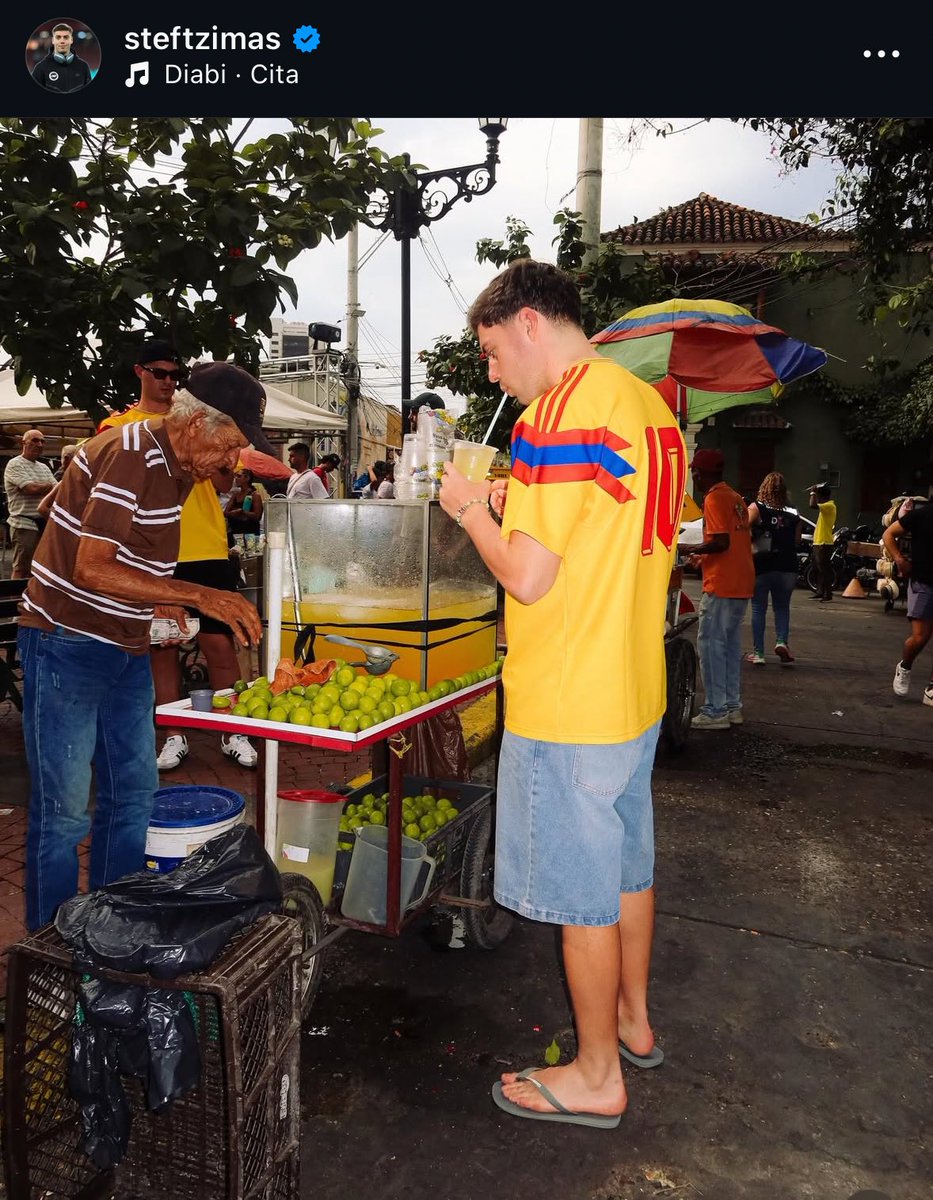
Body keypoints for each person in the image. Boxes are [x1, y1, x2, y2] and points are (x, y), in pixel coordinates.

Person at [438, 259, 686, 1128]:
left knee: (581, 898)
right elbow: (596, 524)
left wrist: (470, 508)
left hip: (568, 697)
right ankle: (631, 1021)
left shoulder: (552, 413)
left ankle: (592, 1076)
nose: (494, 373)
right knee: (625, 872)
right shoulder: (648, 405)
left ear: (530, 323)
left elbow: (529, 579)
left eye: (494, 351)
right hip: (632, 688)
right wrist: (517, 501)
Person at [18, 364, 265, 930]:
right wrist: (200, 594)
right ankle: (49, 948)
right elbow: (92, 565)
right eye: (229, 445)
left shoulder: (179, 466)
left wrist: (157, 599)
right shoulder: (134, 451)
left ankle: (111, 929)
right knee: (61, 815)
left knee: (132, 799)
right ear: (198, 421)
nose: (231, 463)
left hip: (124, 645)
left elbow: (58, 513)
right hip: (66, 642)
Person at [98, 343, 261, 770]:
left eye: (175, 373)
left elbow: (226, 480)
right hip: (147, 556)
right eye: (160, 372)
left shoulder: (213, 426)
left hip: (203, 546)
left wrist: (226, 459)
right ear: (141, 371)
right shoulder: (121, 430)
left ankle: (234, 727)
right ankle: (173, 733)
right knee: (162, 645)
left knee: (219, 643)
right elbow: (88, 549)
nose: (168, 379)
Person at [685, 448, 754, 730]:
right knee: (728, 646)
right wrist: (701, 557)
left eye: (695, 472)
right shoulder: (735, 497)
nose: (694, 477)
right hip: (741, 581)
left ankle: (715, 711)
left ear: (701, 473)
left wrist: (688, 547)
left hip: (722, 584)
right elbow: (729, 543)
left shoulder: (713, 498)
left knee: (711, 646)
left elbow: (721, 542)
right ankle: (731, 706)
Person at [745, 472, 803, 666]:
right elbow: (797, 540)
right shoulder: (793, 511)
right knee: (782, 607)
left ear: (764, 488)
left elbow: (742, 528)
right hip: (788, 566)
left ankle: (759, 653)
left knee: (758, 609)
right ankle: (781, 641)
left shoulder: (757, 508)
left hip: (762, 564)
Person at [884, 498, 933, 706]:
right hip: (924, 581)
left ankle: (931, 688)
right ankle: (904, 666)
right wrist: (900, 559)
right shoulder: (924, 514)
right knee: (920, 637)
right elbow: (889, 534)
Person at [3, 430, 56, 578]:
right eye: (35, 440)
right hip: (24, 523)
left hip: (43, 522)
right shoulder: (14, 464)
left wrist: (44, 487)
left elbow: (57, 491)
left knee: (39, 567)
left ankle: (30, 598)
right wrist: (49, 487)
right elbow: (31, 489)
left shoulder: (44, 467)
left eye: (42, 441)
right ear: (23, 442)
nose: (39, 444)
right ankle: (14, 598)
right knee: (21, 567)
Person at [30, 23, 92, 93]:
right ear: (53, 40)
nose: (62, 41)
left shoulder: (83, 66)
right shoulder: (40, 68)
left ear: (71, 40)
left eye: (66, 37)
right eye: (58, 37)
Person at [808, 482, 837, 602]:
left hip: (824, 543)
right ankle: (820, 591)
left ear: (822, 496)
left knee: (823, 569)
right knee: (816, 568)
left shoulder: (829, 506)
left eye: (818, 496)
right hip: (818, 542)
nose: (817, 499)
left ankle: (828, 594)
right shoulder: (826, 507)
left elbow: (812, 505)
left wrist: (813, 492)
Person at [226, 467, 264, 535]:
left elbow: (257, 515)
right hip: (235, 531)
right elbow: (226, 512)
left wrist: (242, 512)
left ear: (247, 478)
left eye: (239, 476)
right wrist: (235, 512)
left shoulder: (255, 495)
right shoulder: (235, 495)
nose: (236, 479)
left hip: (249, 533)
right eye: (235, 476)